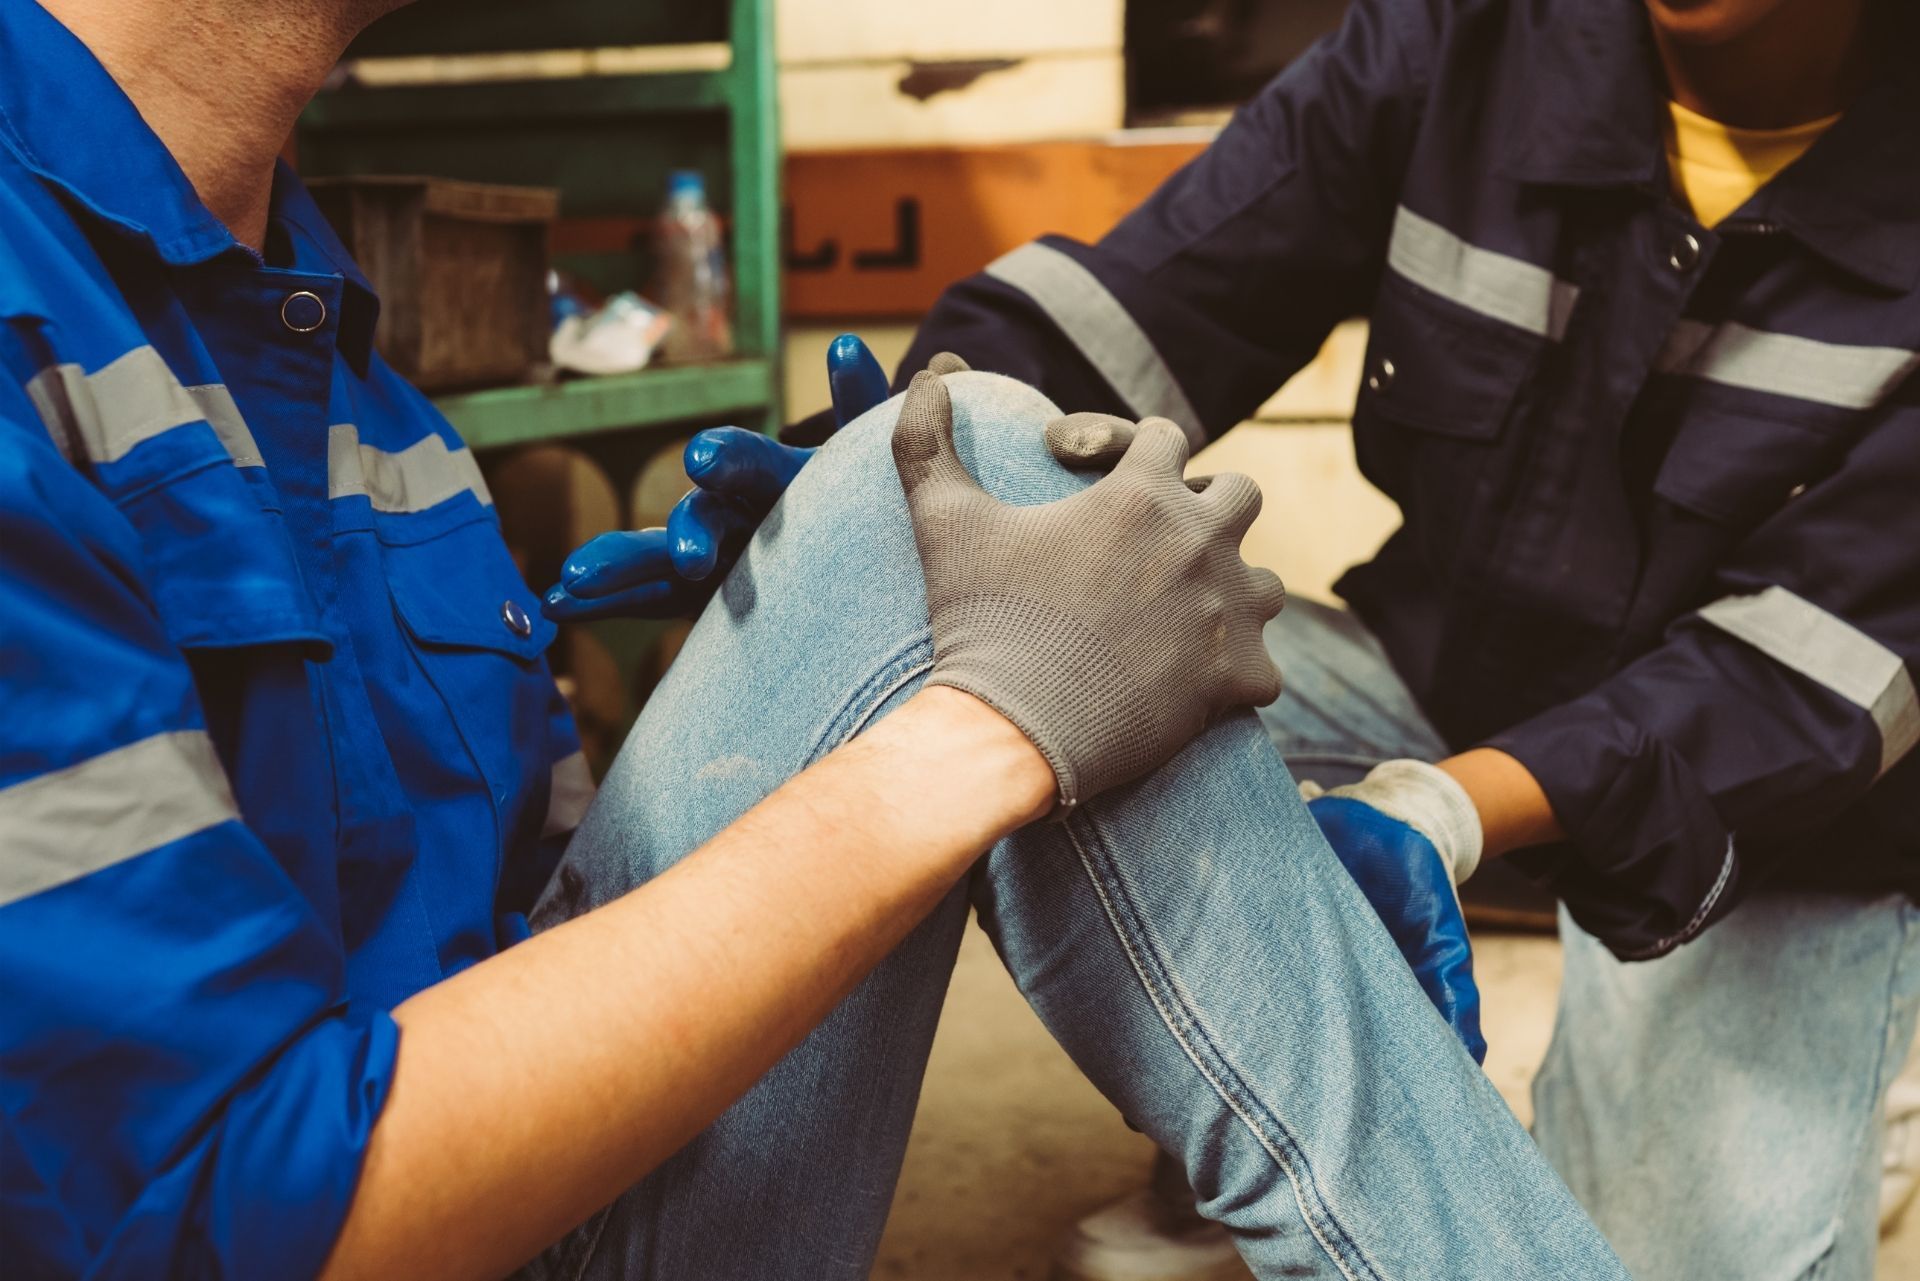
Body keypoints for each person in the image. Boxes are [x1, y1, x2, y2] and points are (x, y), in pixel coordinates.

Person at [0, 2, 1629, 1280]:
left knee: (953, 500)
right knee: (962, 498)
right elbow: (226, 1213)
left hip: (1734, 770)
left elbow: (530, 946)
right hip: (330, 1223)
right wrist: (973, 731)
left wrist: (845, 599)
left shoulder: (337, 365)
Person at [563, 0, 1920, 1277]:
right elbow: (1160, 301)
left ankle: (1851, 1072)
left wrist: (1441, 811)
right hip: (1442, 674)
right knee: (1000, 643)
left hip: (1774, 801)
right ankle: (1223, 1111)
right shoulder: (1464, 41)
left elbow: (1792, 680)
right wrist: (877, 491)